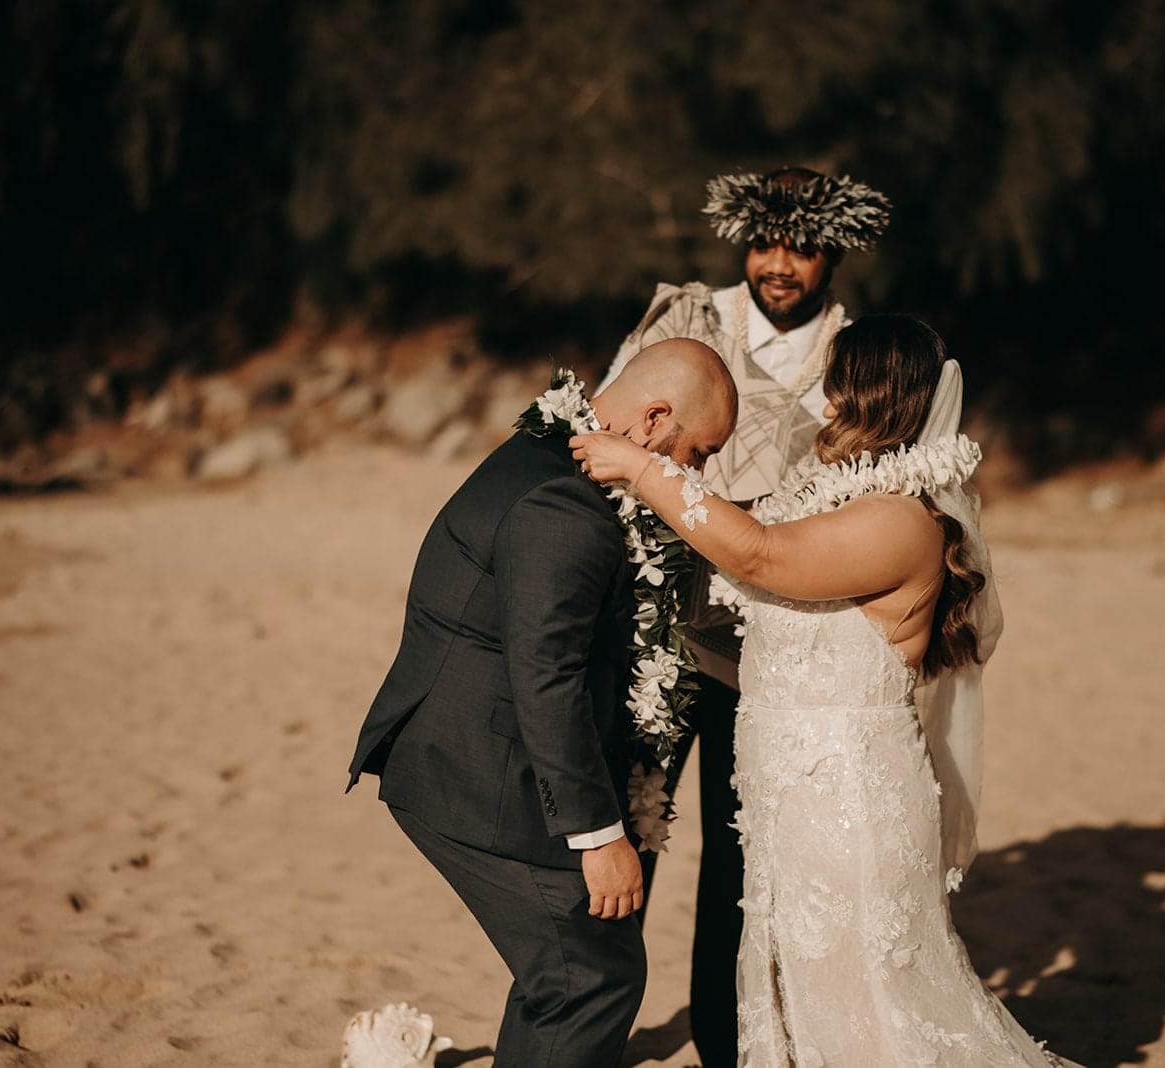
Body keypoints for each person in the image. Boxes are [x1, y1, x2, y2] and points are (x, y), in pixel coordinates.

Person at [573, 316, 1079, 1066]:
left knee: (864, 1000)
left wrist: (642, 468)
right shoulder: (832, 503)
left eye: (835, 391)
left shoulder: (902, 522)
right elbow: (741, 549)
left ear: (867, 397)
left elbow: (760, 553)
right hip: (789, 802)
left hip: (849, 802)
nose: (823, 406)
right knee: (807, 992)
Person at [345, 339, 737, 1067]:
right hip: (475, 767)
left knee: (569, 965)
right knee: (591, 976)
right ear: (653, 419)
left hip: (478, 743)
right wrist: (599, 836)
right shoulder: (568, 504)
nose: (699, 473)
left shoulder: (555, 452)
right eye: (700, 451)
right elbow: (546, 674)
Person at [599, 166, 900, 1066]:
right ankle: (589, 1023)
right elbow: (611, 432)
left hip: (775, 632)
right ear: (743, 242)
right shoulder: (685, 324)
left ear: (832, 254)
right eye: (765, 242)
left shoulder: (859, 360)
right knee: (629, 823)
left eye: (802, 246)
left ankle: (726, 1041)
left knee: (743, 849)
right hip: (654, 618)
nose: (780, 263)